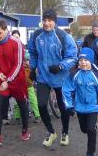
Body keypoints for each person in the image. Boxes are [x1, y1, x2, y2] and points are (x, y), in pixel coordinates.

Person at [27, 8, 78, 147]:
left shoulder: (63, 36)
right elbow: (32, 53)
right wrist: (32, 69)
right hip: (43, 77)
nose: (46, 23)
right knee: (41, 105)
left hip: (60, 77)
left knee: (63, 107)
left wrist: (61, 66)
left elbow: (73, 57)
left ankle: (65, 133)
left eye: (49, 20)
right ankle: (51, 132)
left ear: (54, 21)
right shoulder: (36, 35)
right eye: (44, 20)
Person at [0, 19, 30, 145]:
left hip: (17, 80)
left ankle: (25, 130)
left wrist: (9, 80)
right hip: (1, 79)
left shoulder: (16, 43)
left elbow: (18, 64)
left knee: (22, 105)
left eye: (0, 32)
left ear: (6, 30)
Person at [62, 47, 98, 156]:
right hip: (80, 107)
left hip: (93, 107)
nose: (83, 63)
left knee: (90, 129)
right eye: (81, 60)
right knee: (84, 129)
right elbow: (66, 89)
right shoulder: (74, 74)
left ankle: (90, 155)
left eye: (86, 60)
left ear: (91, 61)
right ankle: (91, 127)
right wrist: (69, 106)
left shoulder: (97, 76)